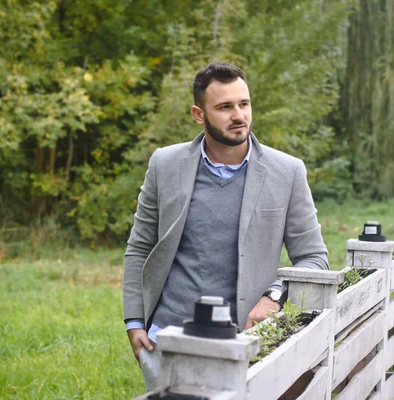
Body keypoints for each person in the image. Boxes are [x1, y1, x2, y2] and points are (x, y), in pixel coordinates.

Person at [123, 61, 329, 390]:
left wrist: (274, 296)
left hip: (246, 341)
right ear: (198, 114)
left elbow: (314, 259)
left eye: (244, 104)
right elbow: (139, 249)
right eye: (224, 107)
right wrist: (134, 321)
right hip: (169, 339)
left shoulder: (287, 172)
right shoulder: (165, 164)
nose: (239, 115)